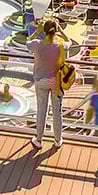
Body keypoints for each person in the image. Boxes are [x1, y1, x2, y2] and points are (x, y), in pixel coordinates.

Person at [26, 17, 65, 149]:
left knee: (41, 111)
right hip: (57, 82)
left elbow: (27, 41)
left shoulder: (36, 44)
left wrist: (37, 31)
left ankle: (39, 140)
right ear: (55, 31)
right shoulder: (60, 45)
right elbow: (69, 42)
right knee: (57, 112)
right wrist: (62, 32)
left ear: (45, 30)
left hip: (41, 81)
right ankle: (58, 140)